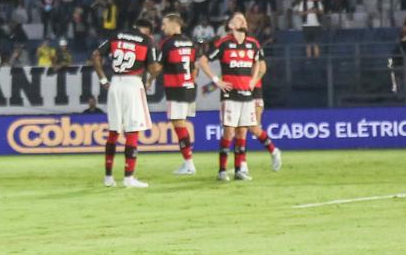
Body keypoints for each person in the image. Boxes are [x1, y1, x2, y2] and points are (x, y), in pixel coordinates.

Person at [207, 12, 282, 182]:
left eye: (244, 19)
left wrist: (254, 81)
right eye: (238, 18)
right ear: (230, 25)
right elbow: (204, 60)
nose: (243, 20)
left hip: (251, 92)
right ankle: (229, 169)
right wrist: (216, 81)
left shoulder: (253, 44)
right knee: (237, 130)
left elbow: (261, 66)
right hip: (232, 93)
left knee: (249, 128)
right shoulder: (225, 43)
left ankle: (257, 159)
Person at [90, 16, 161, 188]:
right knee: (133, 130)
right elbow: (153, 68)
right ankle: (129, 177)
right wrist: (159, 67)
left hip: (115, 84)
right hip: (132, 84)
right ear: (148, 30)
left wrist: (103, 80)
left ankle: (108, 177)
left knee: (114, 131)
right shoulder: (146, 41)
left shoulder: (118, 35)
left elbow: (95, 55)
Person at [158, 13, 215, 176]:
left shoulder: (167, 43)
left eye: (164, 24)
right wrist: (190, 79)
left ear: (174, 24)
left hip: (175, 88)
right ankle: (188, 162)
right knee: (181, 123)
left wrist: (149, 78)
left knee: (179, 124)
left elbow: (158, 66)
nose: (162, 27)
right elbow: (195, 66)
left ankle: (189, 163)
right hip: (189, 87)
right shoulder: (189, 42)